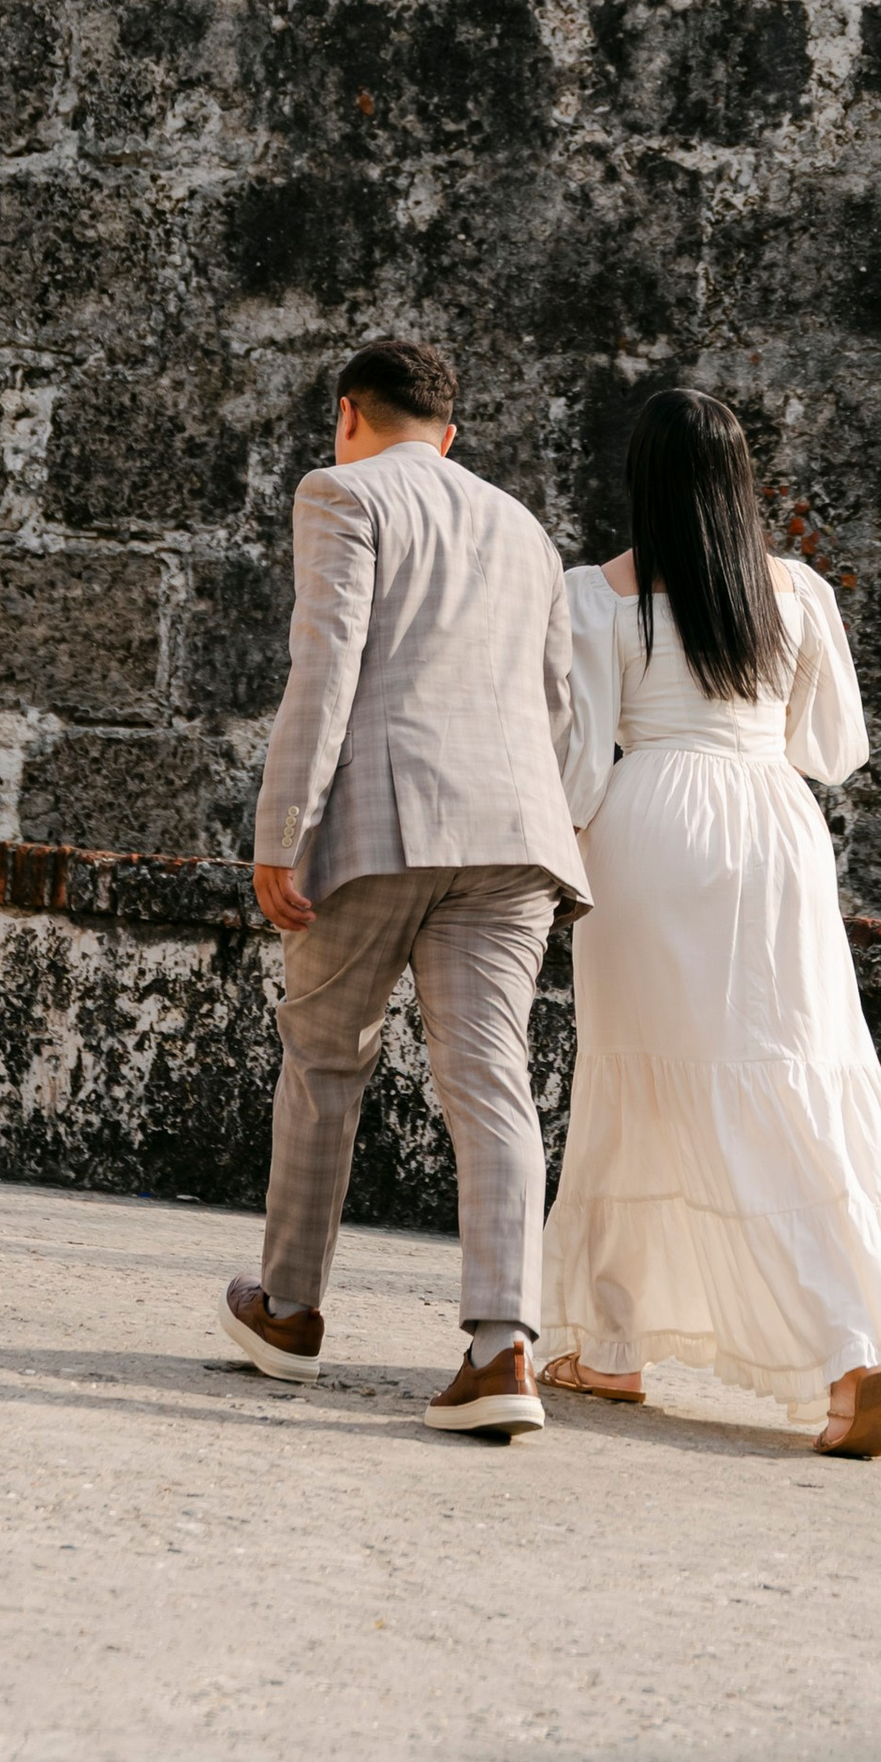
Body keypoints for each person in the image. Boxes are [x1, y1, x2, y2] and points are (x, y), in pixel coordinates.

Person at [540, 387, 881, 1460]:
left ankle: (643, 1345)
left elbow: (579, 762)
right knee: (788, 1070)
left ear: (643, 479)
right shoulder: (796, 592)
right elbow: (830, 747)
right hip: (775, 827)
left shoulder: (596, 594)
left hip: (649, 826)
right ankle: (826, 1346)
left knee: (636, 1079)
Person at [224, 334, 586, 1438]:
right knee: (490, 1076)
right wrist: (553, 825)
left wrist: (282, 830)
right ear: (450, 432)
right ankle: (501, 1346)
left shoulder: (341, 493)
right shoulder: (524, 527)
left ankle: (290, 1311)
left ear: (348, 413)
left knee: (326, 1057)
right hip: (516, 834)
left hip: (384, 823)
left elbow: (326, 664)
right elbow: (560, 703)